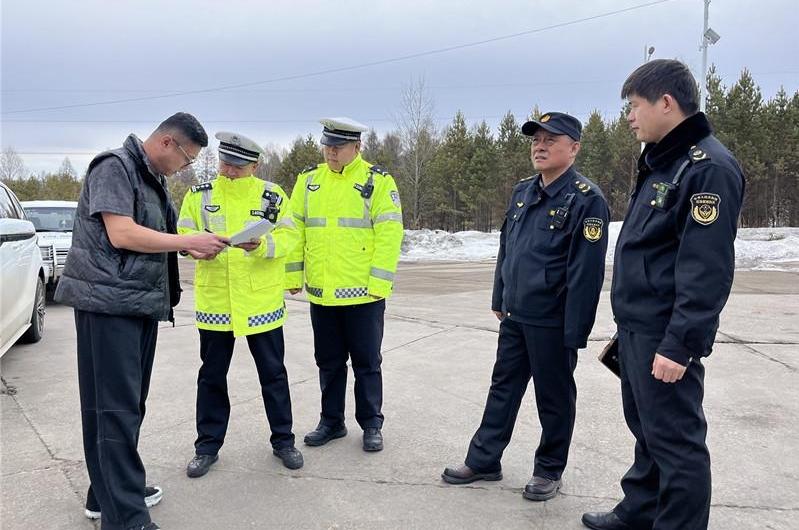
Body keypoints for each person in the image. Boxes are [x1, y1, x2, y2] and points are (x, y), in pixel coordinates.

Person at [581, 60, 745, 530]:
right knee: (647, 430)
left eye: (634, 106)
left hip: (665, 332)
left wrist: (680, 344)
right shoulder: (663, 162)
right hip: (639, 325)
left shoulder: (707, 168)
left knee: (676, 442)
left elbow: (706, 269)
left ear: (666, 103)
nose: (629, 117)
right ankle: (641, 510)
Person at [55, 113, 229, 530]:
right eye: (187, 158)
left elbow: (152, 236)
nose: (185, 167)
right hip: (108, 305)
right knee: (113, 409)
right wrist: (187, 240)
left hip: (137, 304)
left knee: (126, 407)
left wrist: (191, 246)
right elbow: (122, 233)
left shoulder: (152, 178)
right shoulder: (114, 166)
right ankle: (127, 518)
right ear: (167, 142)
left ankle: (110, 493)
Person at [442, 112, 610, 501]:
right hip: (516, 315)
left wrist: (576, 330)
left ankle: (549, 469)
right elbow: (508, 249)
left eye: (551, 140)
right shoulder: (523, 191)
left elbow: (586, 273)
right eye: (536, 140)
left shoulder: (586, 199)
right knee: (502, 389)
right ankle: (484, 459)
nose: (540, 146)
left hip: (553, 321)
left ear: (574, 148)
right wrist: (500, 296)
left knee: (553, 398)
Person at [177, 132, 303, 477]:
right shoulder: (199, 195)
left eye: (238, 166)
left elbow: (290, 237)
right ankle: (206, 447)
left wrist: (261, 246)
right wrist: (195, 248)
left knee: (273, 375)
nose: (230, 171)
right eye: (225, 164)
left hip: (261, 302)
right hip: (216, 302)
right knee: (212, 377)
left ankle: (284, 441)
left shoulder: (272, 195)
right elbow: (183, 235)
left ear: (255, 166)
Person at [285, 117, 404, 452]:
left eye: (338, 147)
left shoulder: (377, 181)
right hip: (322, 294)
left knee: (367, 363)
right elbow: (294, 229)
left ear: (357, 147)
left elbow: (390, 234)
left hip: (363, 294)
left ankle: (371, 423)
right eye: (327, 146)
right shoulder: (309, 180)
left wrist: (380, 283)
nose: (331, 152)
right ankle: (331, 422)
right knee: (328, 362)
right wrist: (292, 276)